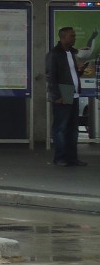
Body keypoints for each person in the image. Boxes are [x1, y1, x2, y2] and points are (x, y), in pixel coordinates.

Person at [46, 26, 92, 167]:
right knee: (61, 127)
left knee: (73, 128)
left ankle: (72, 158)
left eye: (74, 36)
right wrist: (57, 95)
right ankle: (60, 157)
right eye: (71, 36)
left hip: (74, 91)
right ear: (63, 37)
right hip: (64, 90)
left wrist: (81, 70)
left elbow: (72, 73)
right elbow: (51, 75)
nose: (74, 38)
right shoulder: (54, 54)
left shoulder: (72, 53)